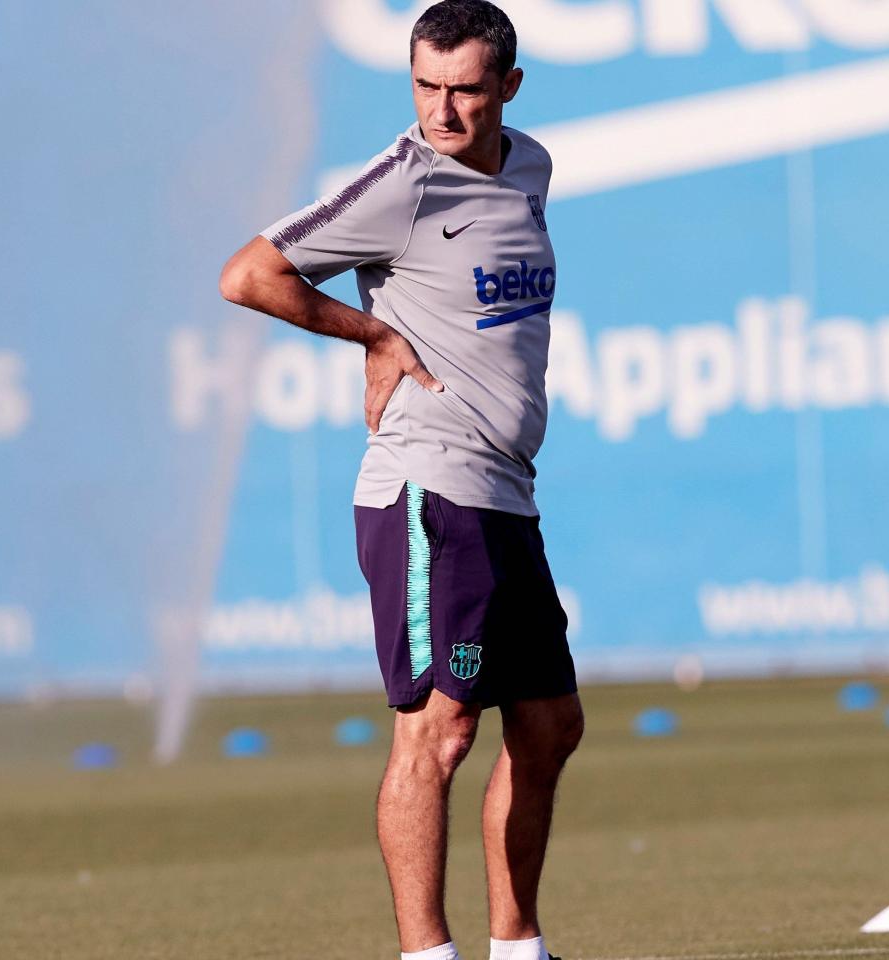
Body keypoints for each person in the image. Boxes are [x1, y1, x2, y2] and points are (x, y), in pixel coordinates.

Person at [218, 2, 583, 959]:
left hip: (506, 491)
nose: (444, 112)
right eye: (427, 87)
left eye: (465, 89)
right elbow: (250, 275)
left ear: (508, 86)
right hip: (427, 489)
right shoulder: (404, 181)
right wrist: (374, 332)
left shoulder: (531, 166)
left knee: (548, 724)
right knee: (440, 733)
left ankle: (519, 949)